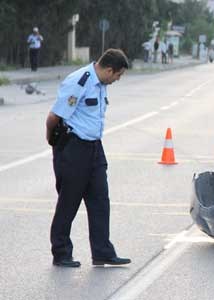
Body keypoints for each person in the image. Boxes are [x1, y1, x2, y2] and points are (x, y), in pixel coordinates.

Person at [45, 49, 131, 268]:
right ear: (109, 70)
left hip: (94, 148)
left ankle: (102, 252)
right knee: (69, 202)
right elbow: (54, 117)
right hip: (74, 148)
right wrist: (54, 144)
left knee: (100, 200)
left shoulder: (100, 84)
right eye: (117, 75)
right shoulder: (79, 82)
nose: (117, 79)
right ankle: (61, 252)